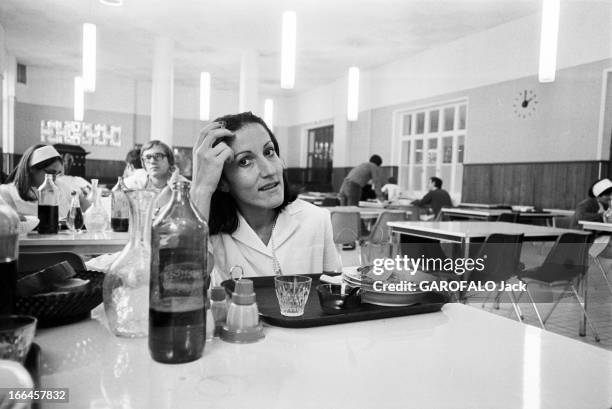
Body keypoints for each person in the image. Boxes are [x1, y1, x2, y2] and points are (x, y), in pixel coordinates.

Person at [190, 112, 340, 283]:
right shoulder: (207, 230)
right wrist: (201, 189)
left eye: (269, 152)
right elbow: (186, 288)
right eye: (245, 161)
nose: (269, 170)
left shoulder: (316, 219)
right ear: (222, 181)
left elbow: (334, 293)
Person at [0, 144, 89, 218]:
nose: (53, 179)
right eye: (50, 172)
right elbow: (10, 221)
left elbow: (85, 206)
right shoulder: (8, 192)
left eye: (57, 174)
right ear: (32, 169)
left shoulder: (61, 186)